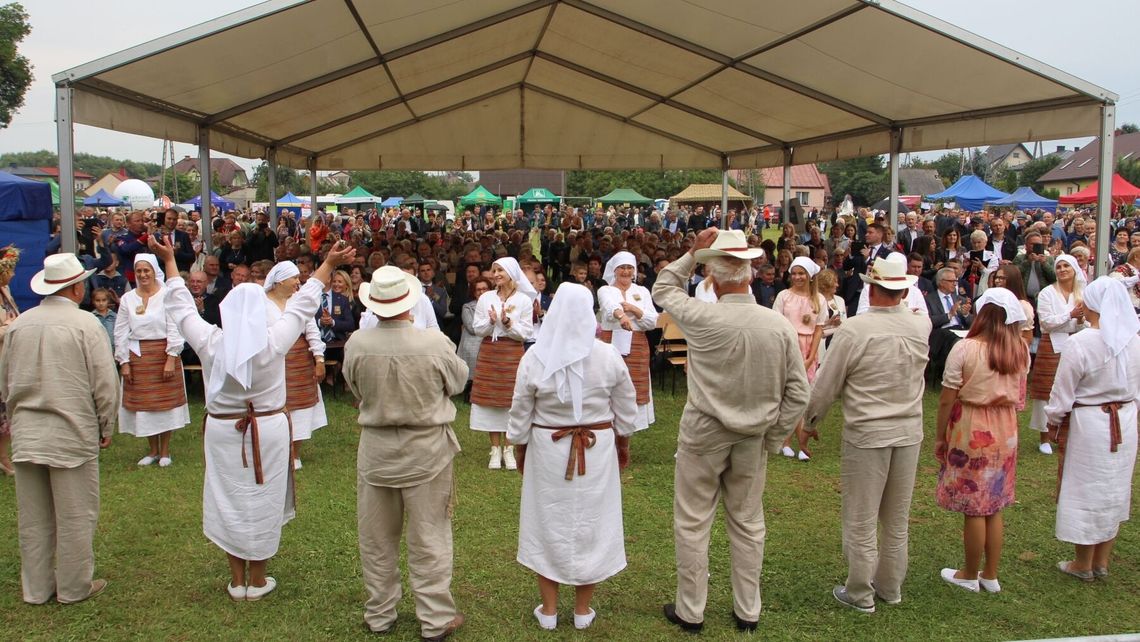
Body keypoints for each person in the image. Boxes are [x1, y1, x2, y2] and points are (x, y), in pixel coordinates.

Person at [152, 235, 355, 601]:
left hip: (225, 429)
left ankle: (238, 580)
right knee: (263, 495)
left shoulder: (211, 341)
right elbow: (304, 302)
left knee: (229, 495)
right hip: (267, 427)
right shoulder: (274, 339)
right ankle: (257, 581)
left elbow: (181, 308)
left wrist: (169, 261)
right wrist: (328, 264)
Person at [652, 228, 810, 633]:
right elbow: (798, 392)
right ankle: (747, 609)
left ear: (714, 277)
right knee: (747, 522)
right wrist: (773, 438)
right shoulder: (776, 325)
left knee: (692, 521)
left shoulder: (703, 314)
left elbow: (663, 286)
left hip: (705, 431)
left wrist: (692, 253)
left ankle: (692, 610)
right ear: (751, 273)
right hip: (751, 435)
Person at [344, 265, 468, 641]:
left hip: (378, 452)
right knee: (429, 537)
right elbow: (459, 381)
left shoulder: (357, 343)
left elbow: (354, 388)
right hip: (426, 450)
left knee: (377, 539)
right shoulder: (433, 343)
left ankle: (380, 613)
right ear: (409, 302)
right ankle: (434, 619)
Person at [801, 253, 931, 612]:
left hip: (868, 432)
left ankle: (860, 591)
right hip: (907, 430)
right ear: (903, 291)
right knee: (896, 517)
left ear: (872, 288)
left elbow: (826, 384)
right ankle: (889, 587)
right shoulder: (920, 326)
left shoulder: (856, 330)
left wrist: (810, 421)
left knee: (861, 517)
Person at [508, 283, 638, 631]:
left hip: (549, 448)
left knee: (547, 518)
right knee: (590, 522)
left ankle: (549, 611)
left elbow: (520, 412)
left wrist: (520, 446)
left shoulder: (534, 357)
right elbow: (626, 408)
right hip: (596, 449)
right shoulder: (607, 355)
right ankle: (581, 610)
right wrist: (622, 442)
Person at [0, 253, 118, 604]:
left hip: (27, 432)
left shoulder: (19, 324)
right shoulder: (86, 326)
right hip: (71, 431)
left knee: (33, 517)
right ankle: (73, 586)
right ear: (77, 287)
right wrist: (106, 424)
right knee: (75, 514)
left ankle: (36, 588)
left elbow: (5, 382)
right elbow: (105, 385)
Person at [1044, 277, 1140, 582]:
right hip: (1123, 421)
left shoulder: (1081, 342)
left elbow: (1064, 389)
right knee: (1112, 487)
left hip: (1093, 424)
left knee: (1089, 488)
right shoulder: (1134, 339)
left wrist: (1053, 418)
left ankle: (1084, 563)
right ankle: (1100, 561)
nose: (1081, 304)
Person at [934, 288, 1029, 594]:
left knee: (975, 506)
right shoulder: (1019, 350)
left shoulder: (966, 348)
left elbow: (947, 399)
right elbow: (1019, 397)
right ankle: (990, 573)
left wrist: (941, 436)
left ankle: (969, 574)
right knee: (995, 504)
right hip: (1006, 429)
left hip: (972, 425)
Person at [114, 254, 190, 467]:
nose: (142, 274)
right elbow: (120, 330)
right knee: (145, 405)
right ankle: (153, 450)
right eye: (139, 271)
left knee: (164, 404)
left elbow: (174, 325)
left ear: (154, 270)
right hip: (138, 355)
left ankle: (165, 450)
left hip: (163, 352)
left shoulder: (166, 295)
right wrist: (124, 361)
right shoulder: (129, 298)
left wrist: (171, 357)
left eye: (146, 270)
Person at [469, 257, 536, 470]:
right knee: (490, 399)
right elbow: (477, 329)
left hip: (512, 352)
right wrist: (491, 321)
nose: (496, 274)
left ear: (511, 273)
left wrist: (507, 323)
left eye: (500, 271)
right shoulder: (486, 298)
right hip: (490, 351)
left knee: (511, 399)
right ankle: (495, 449)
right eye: (494, 270)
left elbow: (526, 333)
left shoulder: (524, 300)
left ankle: (509, 448)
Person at [264, 262, 327, 471]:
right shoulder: (262, 303)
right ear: (280, 280)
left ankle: (295, 452)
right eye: (294, 278)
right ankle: (276, 451)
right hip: (272, 358)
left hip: (299, 357)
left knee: (300, 405)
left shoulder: (298, 301)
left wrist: (319, 359)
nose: (298, 283)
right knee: (275, 404)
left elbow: (312, 330)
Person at [1028, 254, 1087, 455]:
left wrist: (1078, 322)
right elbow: (1046, 322)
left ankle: (1068, 433)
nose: (1062, 270)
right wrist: (1070, 316)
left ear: (1073, 270)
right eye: (1059, 266)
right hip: (1051, 345)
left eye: (1066, 266)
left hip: (1076, 344)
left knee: (1075, 389)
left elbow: (1086, 322)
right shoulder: (1047, 293)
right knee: (1046, 391)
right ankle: (1044, 436)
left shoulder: (1082, 292)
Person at [597, 251, 658, 433]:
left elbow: (651, 321)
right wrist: (622, 315)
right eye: (622, 268)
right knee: (611, 381)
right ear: (614, 270)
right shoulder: (606, 290)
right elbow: (610, 306)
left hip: (637, 342)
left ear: (634, 270)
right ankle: (608, 420)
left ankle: (632, 425)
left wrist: (634, 309)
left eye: (629, 268)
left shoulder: (642, 291)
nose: (625, 271)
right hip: (611, 342)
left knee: (635, 381)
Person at [774, 256, 827, 461]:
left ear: (809, 276)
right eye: (794, 273)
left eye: (801, 273)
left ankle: (794, 441)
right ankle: (788, 441)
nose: (797, 277)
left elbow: (818, 330)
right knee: (789, 395)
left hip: (807, 349)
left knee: (802, 396)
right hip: (788, 344)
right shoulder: (784, 296)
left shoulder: (819, 300)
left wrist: (811, 356)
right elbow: (777, 325)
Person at [0, 244, 21, 476]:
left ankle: (3, 454)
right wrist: (7, 328)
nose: (13, 273)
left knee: (5, 411)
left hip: (7, 358)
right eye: (10, 269)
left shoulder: (6, 291)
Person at [457, 277, 491, 401]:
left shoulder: (497, 304)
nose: (481, 292)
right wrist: (491, 322)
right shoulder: (468, 307)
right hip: (472, 342)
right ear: (473, 292)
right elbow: (472, 327)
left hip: (489, 342)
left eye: (485, 289)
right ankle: (470, 392)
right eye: (478, 290)